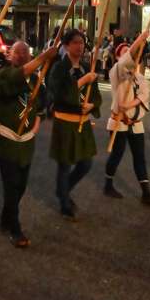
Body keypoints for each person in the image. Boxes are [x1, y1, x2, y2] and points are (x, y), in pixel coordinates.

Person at [0, 41, 58, 246]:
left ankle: (6, 215)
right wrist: (44, 56)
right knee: (11, 183)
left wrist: (38, 118)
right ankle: (14, 227)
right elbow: (18, 75)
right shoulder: (5, 75)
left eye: (25, 52)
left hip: (26, 139)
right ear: (10, 55)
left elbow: (41, 102)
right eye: (17, 52)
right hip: (7, 137)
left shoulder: (36, 80)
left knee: (21, 184)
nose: (21, 55)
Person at [47, 28, 102, 222]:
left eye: (82, 42)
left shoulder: (87, 67)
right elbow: (58, 93)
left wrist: (92, 104)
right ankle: (64, 204)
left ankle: (63, 189)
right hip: (65, 121)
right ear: (66, 46)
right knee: (64, 164)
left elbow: (95, 94)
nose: (79, 46)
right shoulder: (59, 68)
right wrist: (81, 82)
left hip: (83, 121)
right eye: (75, 42)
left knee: (86, 163)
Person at [105, 31, 150, 207]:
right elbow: (126, 59)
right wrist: (139, 39)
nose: (129, 54)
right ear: (118, 57)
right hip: (118, 121)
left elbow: (143, 97)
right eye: (124, 52)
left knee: (140, 157)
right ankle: (108, 184)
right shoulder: (117, 71)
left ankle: (146, 192)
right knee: (117, 153)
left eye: (131, 51)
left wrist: (129, 105)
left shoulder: (140, 78)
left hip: (136, 123)